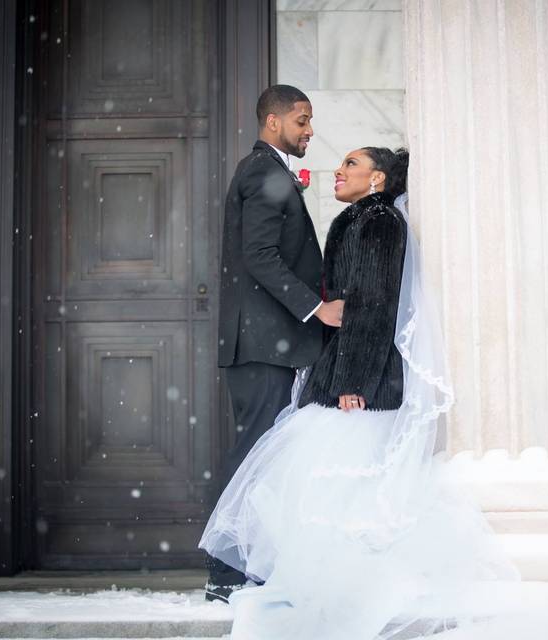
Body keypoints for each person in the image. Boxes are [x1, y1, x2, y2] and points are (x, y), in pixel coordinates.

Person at [201, 147, 510, 637]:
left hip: (361, 380)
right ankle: (320, 582)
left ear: (378, 178)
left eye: (351, 164)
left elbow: (374, 304)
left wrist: (354, 382)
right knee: (325, 487)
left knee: (345, 487)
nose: (338, 171)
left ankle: (347, 588)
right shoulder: (357, 218)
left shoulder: (380, 221)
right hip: (340, 372)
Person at [209, 84, 344, 601]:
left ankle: (244, 566)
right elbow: (261, 256)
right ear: (273, 123)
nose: (310, 131)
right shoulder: (263, 171)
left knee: (261, 455)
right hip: (262, 342)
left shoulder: (266, 171)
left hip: (270, 342)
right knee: (252, 455)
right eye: (302, 121)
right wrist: (318, 307)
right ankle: (224, 574)